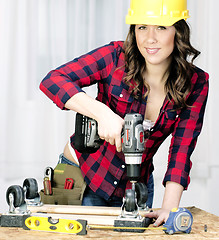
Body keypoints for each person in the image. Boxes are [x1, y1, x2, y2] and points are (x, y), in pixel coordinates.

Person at [40, 0, 209, 227]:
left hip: (135, 188)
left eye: (161, 27)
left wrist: (170, 208)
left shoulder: (195, 83)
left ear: (178, 31)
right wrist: (103, 114)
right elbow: (53, 80)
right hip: (83, 178)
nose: (150, 38)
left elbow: (182, 148)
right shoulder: (114, 57)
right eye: (142, 27)